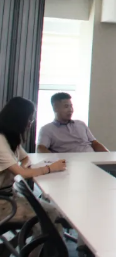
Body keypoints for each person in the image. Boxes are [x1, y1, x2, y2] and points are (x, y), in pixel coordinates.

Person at [0, 97, 67, 254]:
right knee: (50, 216)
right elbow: (23, 174)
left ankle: (21, 249)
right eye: (29, 119)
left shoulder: (10, 137)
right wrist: (50, 168)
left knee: (49, 214)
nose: (30, 123)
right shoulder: (1, 141)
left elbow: (25, 158)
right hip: (3, 203)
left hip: (9, 196)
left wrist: (21, 167)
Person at [37, 92, 108, 153]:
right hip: (69, 162)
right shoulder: (47, 129)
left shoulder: (81, 124)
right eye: (66, 106)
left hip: (91, 159)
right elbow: (41, 148)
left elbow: (94, 143)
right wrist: (55, 161)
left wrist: (109, 156)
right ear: (55, 108)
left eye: (71, 106)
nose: (70, 110)